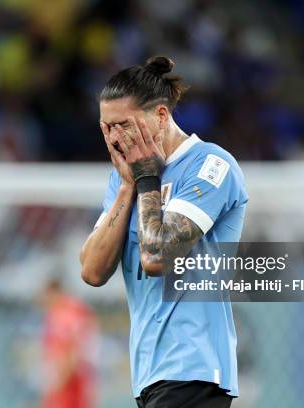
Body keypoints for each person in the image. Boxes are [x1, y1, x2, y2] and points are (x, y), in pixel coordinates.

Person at [80, 56, 248, 408]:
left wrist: (145, 180)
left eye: (124, 125)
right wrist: (129, 187)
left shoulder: (210, 165)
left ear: (160, 115)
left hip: (194, 365)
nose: (114, 138)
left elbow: (157, 256)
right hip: (148, 371)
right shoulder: (124, 178)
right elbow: (92, 271)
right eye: (106, 127)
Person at [40, 278, 98, 408]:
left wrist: (58, 384)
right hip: (68, 380)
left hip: (71, 383)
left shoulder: (66, 313)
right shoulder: (56, 313)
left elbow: (73, 351)